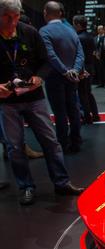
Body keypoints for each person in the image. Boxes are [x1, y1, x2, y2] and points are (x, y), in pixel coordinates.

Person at [0, 0, 84, 205]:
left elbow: (46, 61)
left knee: (51, 142)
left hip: (34, 98)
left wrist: (40, 77)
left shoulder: (29, 32)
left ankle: (62, 183)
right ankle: (26, 187)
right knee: (15, 147)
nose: (13, 21)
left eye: (16, 16)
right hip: (6, 102)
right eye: (7, 17)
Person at [39, 1, 84, 153]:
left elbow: (50, 55)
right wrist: (75, 70)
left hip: (55, 77)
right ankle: (76, 142)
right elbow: (80, 54)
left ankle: (63, 144)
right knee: (74, 110)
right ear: (60, 13)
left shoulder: (44, 31)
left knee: (60, 113)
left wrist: (64, 71)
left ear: (46, 13)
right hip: (72, 77)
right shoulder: (71, 30)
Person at [72, 15, 99, 124]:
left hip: (83, 68)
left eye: (74, 24)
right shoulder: (90, 36)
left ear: (78, 25)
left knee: (82, 93)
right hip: (90, 66)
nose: (73, 26)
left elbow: (79, 55)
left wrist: (81, 70)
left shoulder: (78, 37)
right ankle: (95, 115)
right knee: (88, 92)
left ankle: (87, 117)